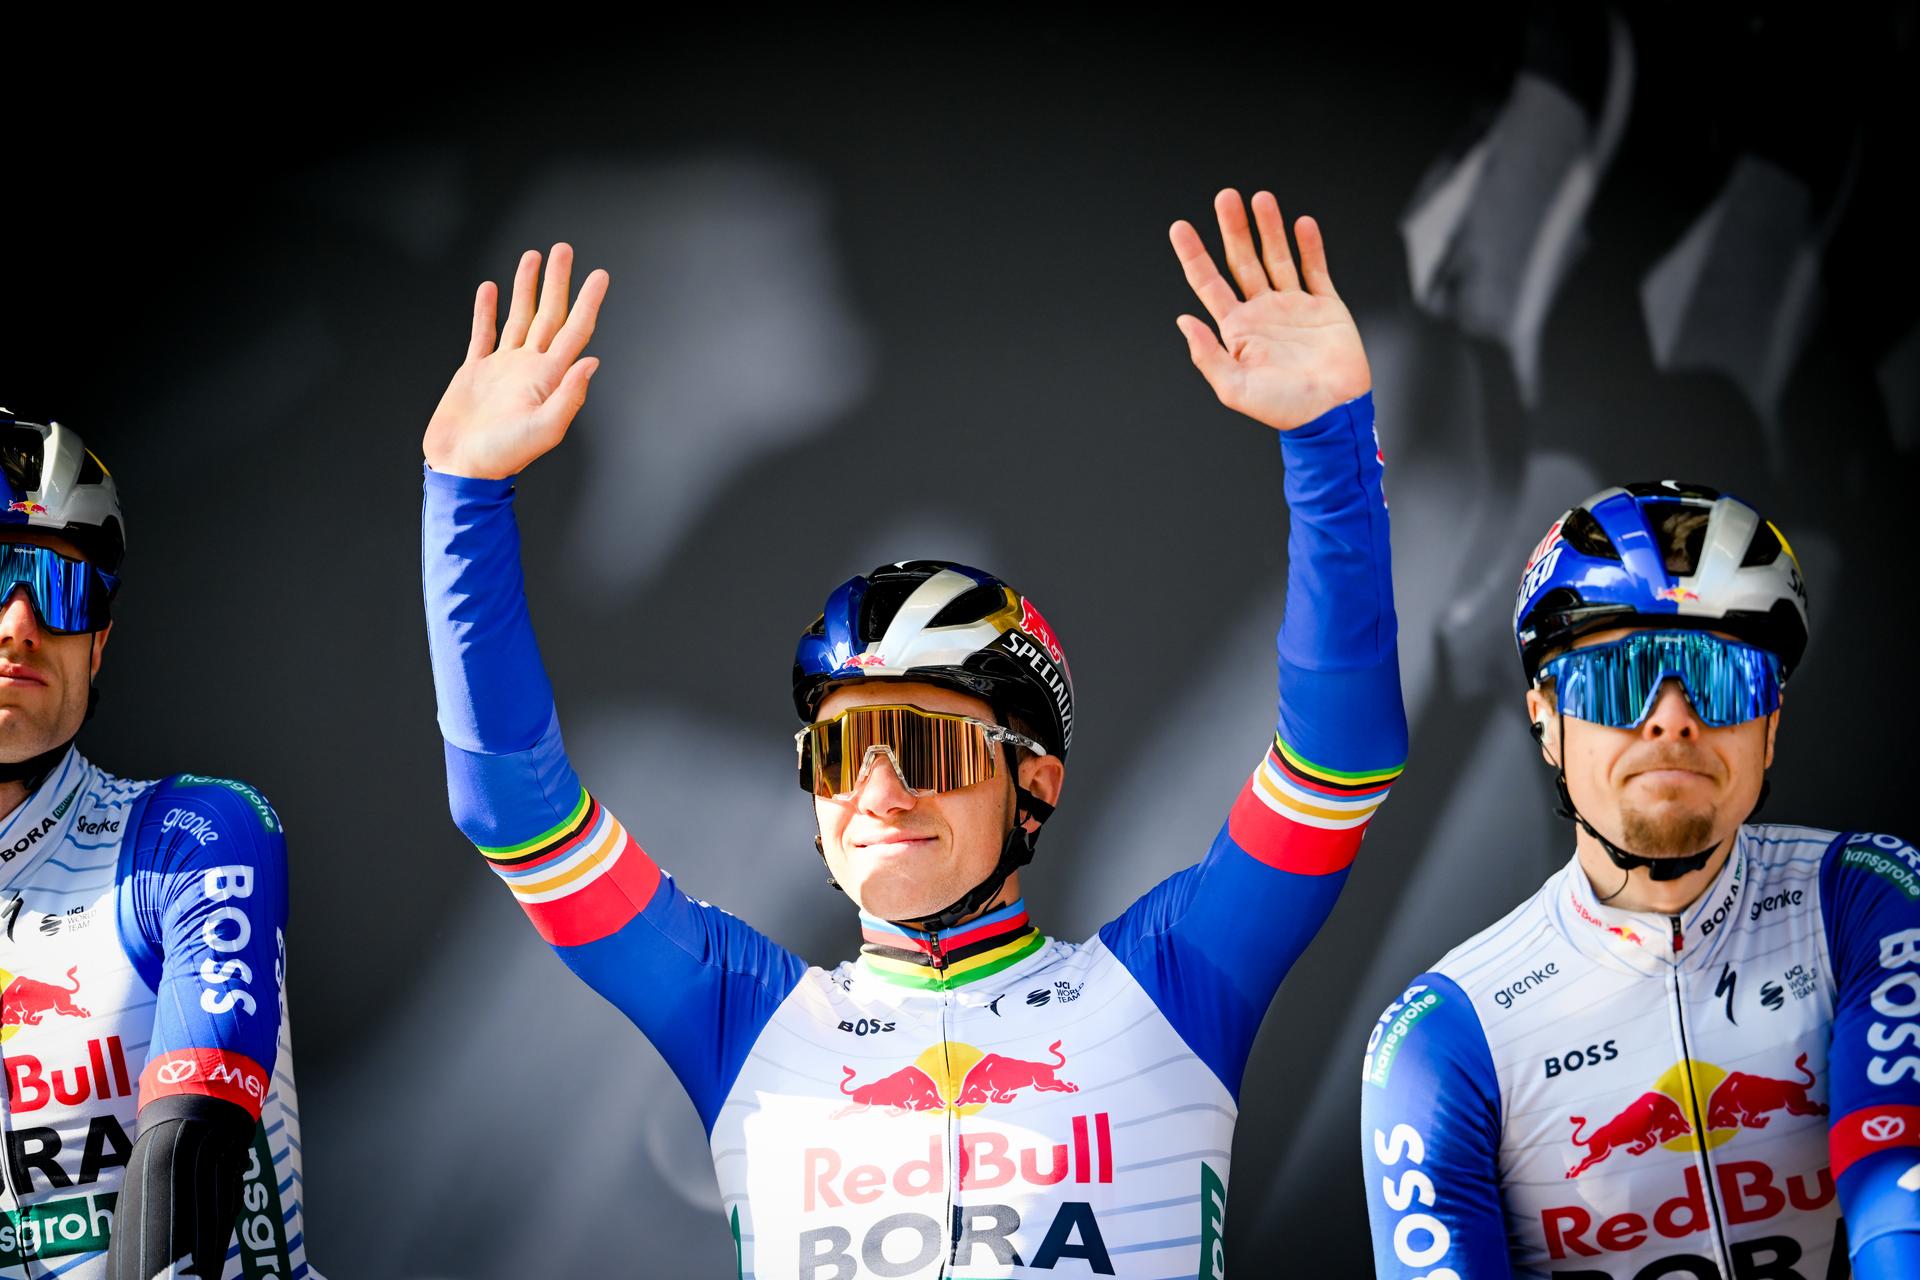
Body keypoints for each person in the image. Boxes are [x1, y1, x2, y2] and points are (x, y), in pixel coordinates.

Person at [421, 190, 1406, 1277]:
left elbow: (1338, 756)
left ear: (1034, 784)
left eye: (929, 750)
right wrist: (463, 491)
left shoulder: (1170, 979)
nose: (882, 791)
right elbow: (512, 806)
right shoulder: (735, 1011)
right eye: (843, 754)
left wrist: (1327, 443)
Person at [1360, 483, 1920, 1277]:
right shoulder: (1443, 1037)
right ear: (1546, 722)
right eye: (1619, 678)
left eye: (1720, 676)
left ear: (1771, 727)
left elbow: (1903, 1212)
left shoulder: (1864, 896)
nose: (1671, 719)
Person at [0, 412, 310, 1279]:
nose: (19, 623)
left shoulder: (195, 837)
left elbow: (187, 1160)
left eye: (60, 587)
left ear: (98, 643)